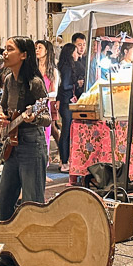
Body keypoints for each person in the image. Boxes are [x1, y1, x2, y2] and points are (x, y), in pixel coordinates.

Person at [0, 37, 51, 222]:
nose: (5, 53)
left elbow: (47, 118)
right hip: (12, 146)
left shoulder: (35, 83)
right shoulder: (9, 80)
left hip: (32, 145)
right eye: (5, 49)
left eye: (10, 49)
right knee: (2, 205)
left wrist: (34, 117)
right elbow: (1, 106)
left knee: (32, 204)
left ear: (24, 55)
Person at [35, 39, 59, 170]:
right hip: (32, 106)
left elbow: (54, 92)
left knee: (45, 138)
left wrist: (44, 96)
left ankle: (44, 168)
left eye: (40, 47)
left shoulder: (52, 71)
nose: (37, 50)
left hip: (45, 107)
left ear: (47, 51)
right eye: (36, 48)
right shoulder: (33, 69)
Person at [56, 42, 78, 173]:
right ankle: (64, 161)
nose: (77, 54)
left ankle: (64, 160)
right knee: (66, 131)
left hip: (64, 101)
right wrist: (75, 84)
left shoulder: (64, 66)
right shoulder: (67, 68)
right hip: (66, 101)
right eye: (75, 51)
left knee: (66, 131)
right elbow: (64, 85)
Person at [71, 32, 88, 98]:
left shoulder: (86, 60)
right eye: (79, 45)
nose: (82, 47)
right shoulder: (70, 62)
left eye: (84, 45)